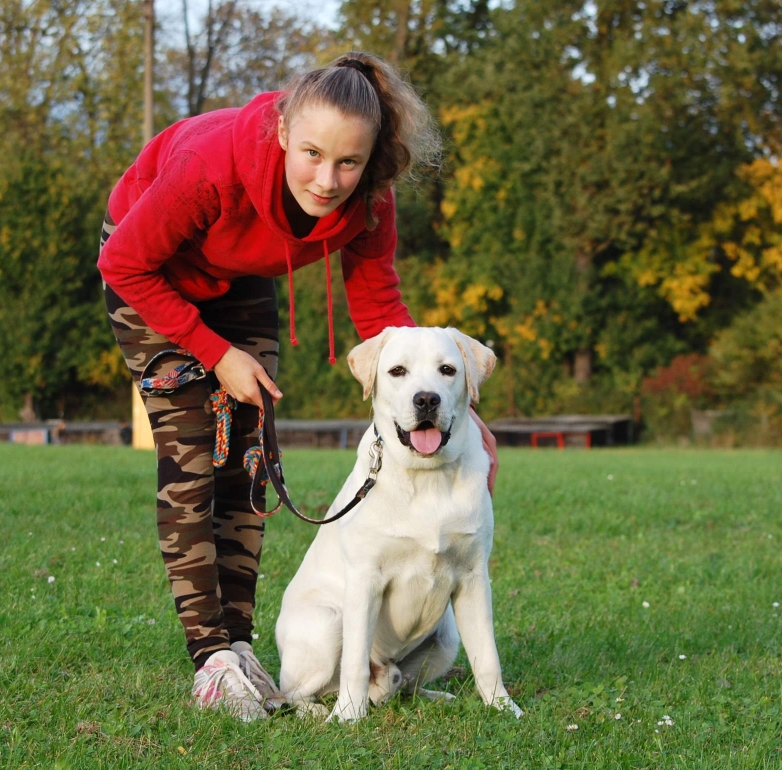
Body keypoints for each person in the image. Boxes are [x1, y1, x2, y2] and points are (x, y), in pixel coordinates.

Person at [97, 51, 501, 721]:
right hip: (150, 271)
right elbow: (123, 264)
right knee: (194, 458)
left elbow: (380, 310)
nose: (328, 178)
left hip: (236, 272)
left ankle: (241, 643)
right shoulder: (209, 166)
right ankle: (212, 661)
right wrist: (212, 350)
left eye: (349, 162)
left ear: (372, 156)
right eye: (312, 153)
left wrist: (445, 405)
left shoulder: (369, 198)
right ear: (283, 131)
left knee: (249, 461)